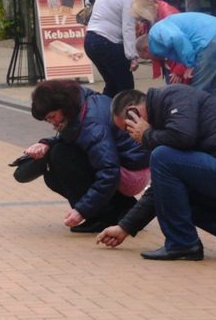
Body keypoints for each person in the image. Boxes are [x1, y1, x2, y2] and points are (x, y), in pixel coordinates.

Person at [97, 86, 216, 260]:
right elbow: (160, 190)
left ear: (132, 113)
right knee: (173, 192)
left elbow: (183, 136)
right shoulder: (162, 127)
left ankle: (182, 243)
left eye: (127, 128)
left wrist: (147, 135)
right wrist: (125, 227)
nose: (131, 135)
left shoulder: (174, 97)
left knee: (162, 156)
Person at [22, 80, 150, 233]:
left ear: (63, 107)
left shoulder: (91, 121)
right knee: (53, 172)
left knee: (62, 156)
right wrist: (46, 143)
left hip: (131, 172)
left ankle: (102, 217)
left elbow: (109, 170)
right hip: (128, 164)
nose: (52, 122)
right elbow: (82, 138)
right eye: (47, 119)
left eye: (52, 116)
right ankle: (124, 208)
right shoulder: (81, 104)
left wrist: (82, 211)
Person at [135, 12, 216, 95]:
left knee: (197, 92)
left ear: (146, 48)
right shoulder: (165, 28)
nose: (153, 60)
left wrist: (190, 62)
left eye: (148, 57)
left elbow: (176, 37)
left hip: (212, 41)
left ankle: (195, 121)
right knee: (210, 91)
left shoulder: (156, 31)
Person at [84, 0, 139, 97]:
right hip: (108, 41)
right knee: (126, 86)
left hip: (90, 39)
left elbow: (88, 0)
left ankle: (102, 109)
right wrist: (132, 56)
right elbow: (128, 28)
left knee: (112, 84)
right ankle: (123, 112)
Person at [131, 0, 182, 83]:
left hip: (179, 59)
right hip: (169, 59)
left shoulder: (168, 16)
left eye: (141, 19)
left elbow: (181, 45)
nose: (140, 22)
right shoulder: (152, 17)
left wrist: (179, 69)